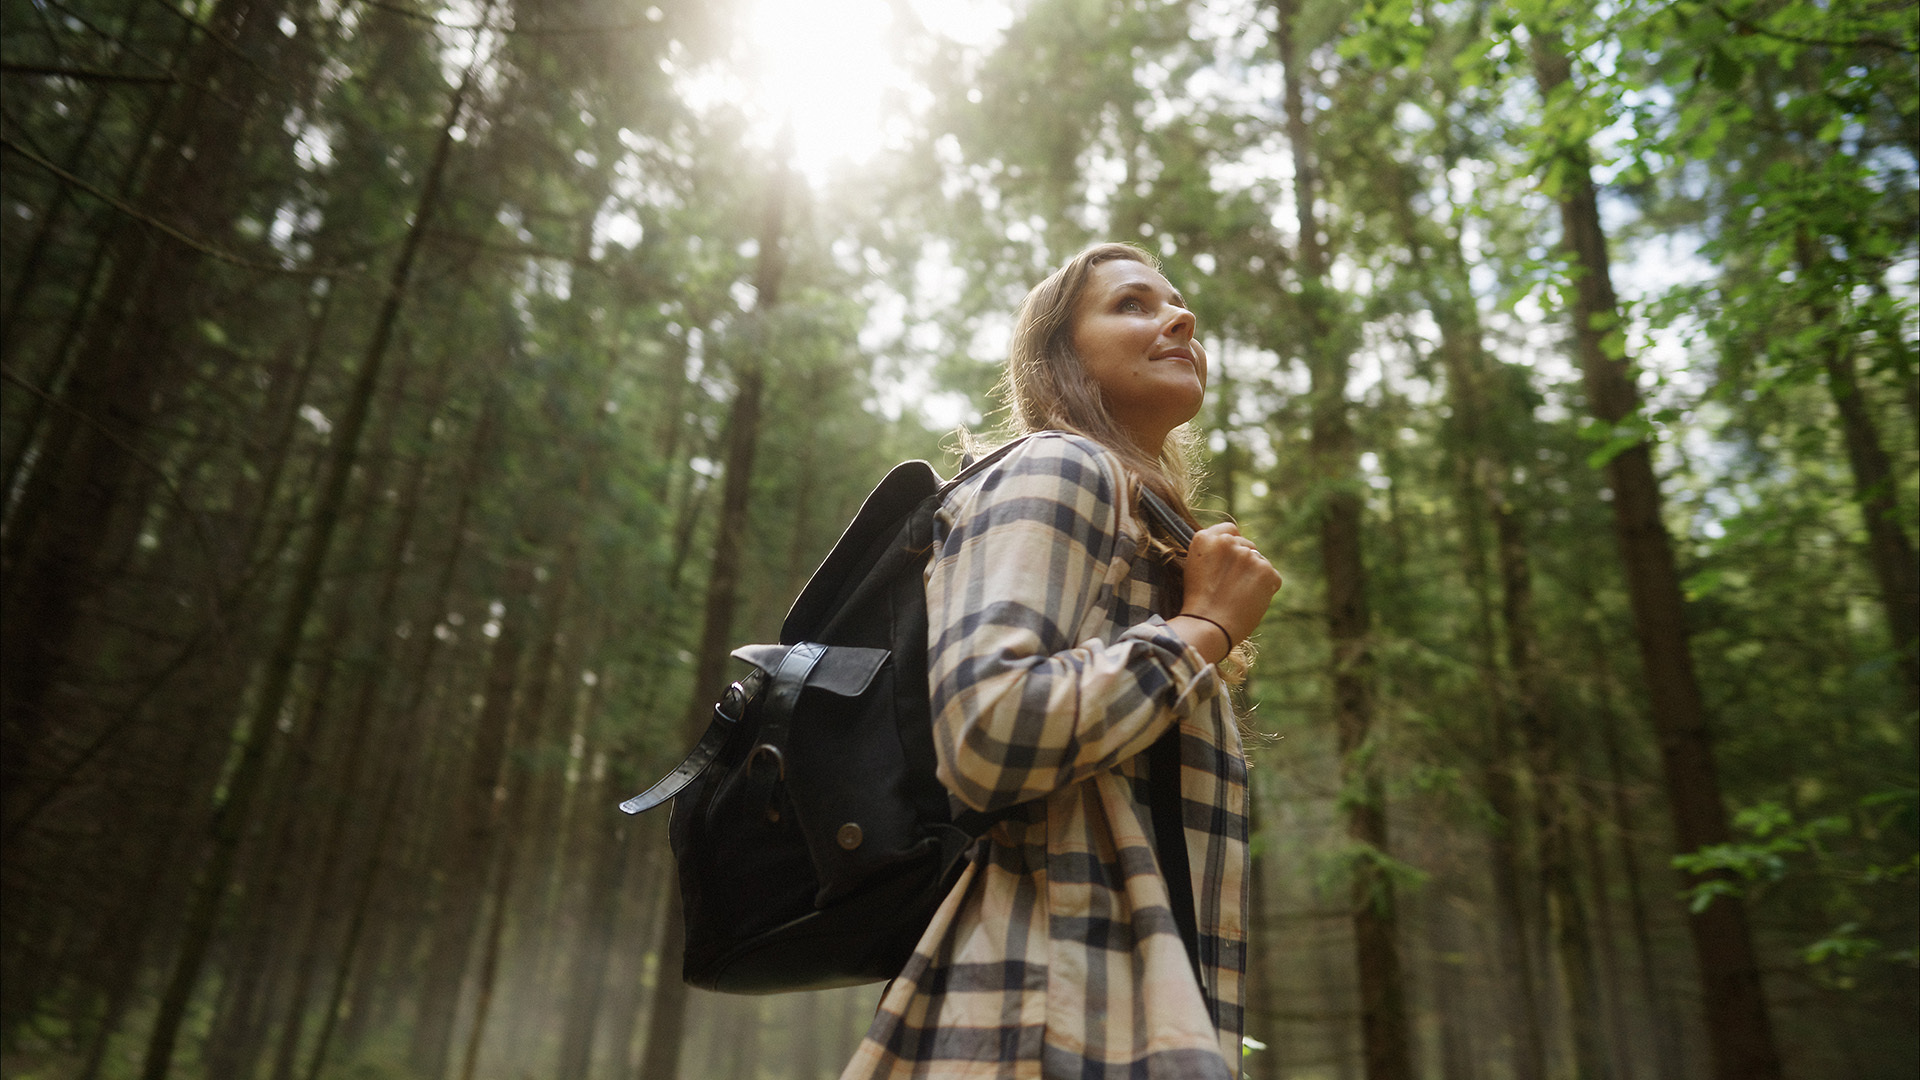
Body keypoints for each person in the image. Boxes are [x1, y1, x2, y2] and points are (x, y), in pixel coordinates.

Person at [841, 242, 1284, 1079]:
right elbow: (989, 727)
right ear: (1059, 358)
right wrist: (1205, 628)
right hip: (1043, 1017)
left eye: (1178, 305)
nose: (1181, 319)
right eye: (1132, 305)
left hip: (1096, 1017)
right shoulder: (1060, 463)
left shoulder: (1131, 513)